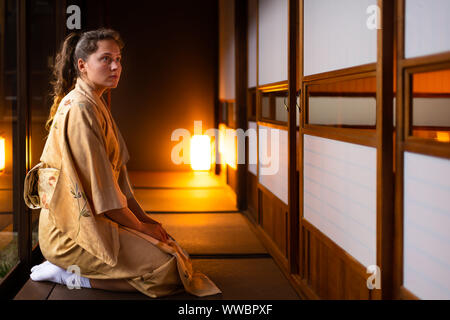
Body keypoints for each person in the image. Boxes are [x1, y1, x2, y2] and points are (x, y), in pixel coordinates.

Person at [26, 28, 221, 298]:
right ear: (82, 65)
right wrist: (141, 228)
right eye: (106, 59)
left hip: (99, 219)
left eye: (118, 59)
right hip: (71, 233)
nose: (116, 66)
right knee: (169, 270)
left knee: (175, 251)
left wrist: (147, 222)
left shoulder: (95, 101)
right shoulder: (80, 109)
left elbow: (118, 185)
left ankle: (78, 271)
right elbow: (103, 194)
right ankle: (69, 275)